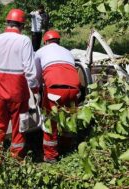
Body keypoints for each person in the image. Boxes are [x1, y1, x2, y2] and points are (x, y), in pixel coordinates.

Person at [0, 9, 39, 161]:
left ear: (7, 23)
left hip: (0, 94)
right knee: (19, 128)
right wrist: (35, 89)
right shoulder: (24, 40)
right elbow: (30, 70)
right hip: (18, 95)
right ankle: (16, 160)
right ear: (22, 25)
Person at [35, 30, 81, 163]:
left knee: (50, 121)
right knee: (70, 117)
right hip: (74, 89)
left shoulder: (41, 52)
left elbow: (36, 76)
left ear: (45, 42)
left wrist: (37, 90)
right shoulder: (67, 51)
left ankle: (50, 155)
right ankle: (67, 146)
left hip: (54, 90)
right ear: (58, 41)